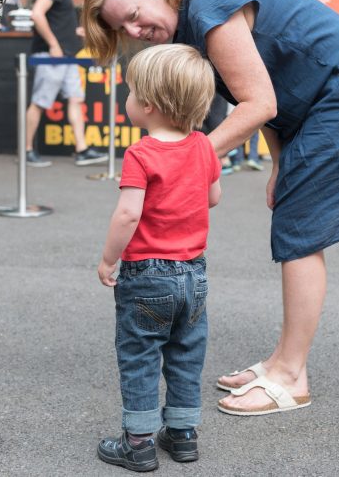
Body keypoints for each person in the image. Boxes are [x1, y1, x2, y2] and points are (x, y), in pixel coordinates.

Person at [83, 0, 339, 417]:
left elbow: (259, 101)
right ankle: (281, 361)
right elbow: (268, 84)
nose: (133, 33)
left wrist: (186, 159)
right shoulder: (192, 15)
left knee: (300, 231)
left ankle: (291, 376)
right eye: (121, 29)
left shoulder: (207, 5)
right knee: (293, 215)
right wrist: (280, 164)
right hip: (310, 106)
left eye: (133, 17)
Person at [96, 44, 220, 471]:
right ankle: (183, 435)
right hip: (194, 274)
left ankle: (139, 442)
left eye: (129, 92)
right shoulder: (203, 146)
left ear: (146, 105)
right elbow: (213, 197)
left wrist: (108, 259)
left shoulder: (141, 154)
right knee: (187, 352)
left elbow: (129, 213)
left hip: (147, 273)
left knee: (140, 354)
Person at [24, 0, 108, 167]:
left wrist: (73, 31)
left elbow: (53, 17)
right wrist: (53, 44)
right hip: (53, 56)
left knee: (76, 99)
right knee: (40, 102)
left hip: (67, 55)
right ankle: (27, 150)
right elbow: (37, 14)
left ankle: (81, 149)